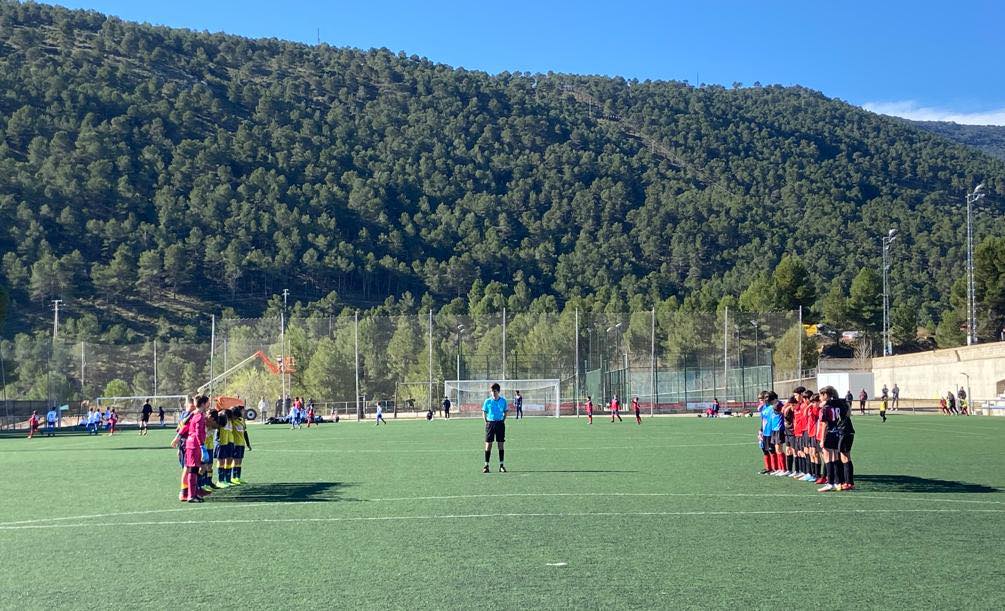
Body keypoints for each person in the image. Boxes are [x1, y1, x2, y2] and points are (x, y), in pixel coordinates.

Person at [172, 396, 207, 503]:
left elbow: (186, 427)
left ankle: (193, 493)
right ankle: (191, 495)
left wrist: (177, 437)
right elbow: (197, 432)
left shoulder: (195, 414)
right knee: (192, 469)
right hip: (194, 445)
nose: (208, 405)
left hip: (191, 444)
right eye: (208, 403)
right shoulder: (199, 416)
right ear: (204, 404)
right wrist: (202, 447)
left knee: (193, 469)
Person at [482, 383, 507, 473]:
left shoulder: (503, 401)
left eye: (495, 391)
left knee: (500, 444)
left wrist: (502, 420)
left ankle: (501, 465)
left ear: (498, 391)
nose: (493, 393)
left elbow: (505, 411)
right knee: (488, 445)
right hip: (490, 424)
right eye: (492, 391)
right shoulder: (487, 401)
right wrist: (487, 422)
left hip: (500, 424)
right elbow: (484, 412)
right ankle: (486, 465)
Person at [230, 405, 251, 484]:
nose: (244, 412)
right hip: (235, 443)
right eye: (243, 411)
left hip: (241, 444)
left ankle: (238, 477)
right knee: (235, 461)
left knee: (240, 461)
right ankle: (233, 477)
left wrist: (248, 444)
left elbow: (244, 432)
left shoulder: (242, 420)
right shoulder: (233, 421)